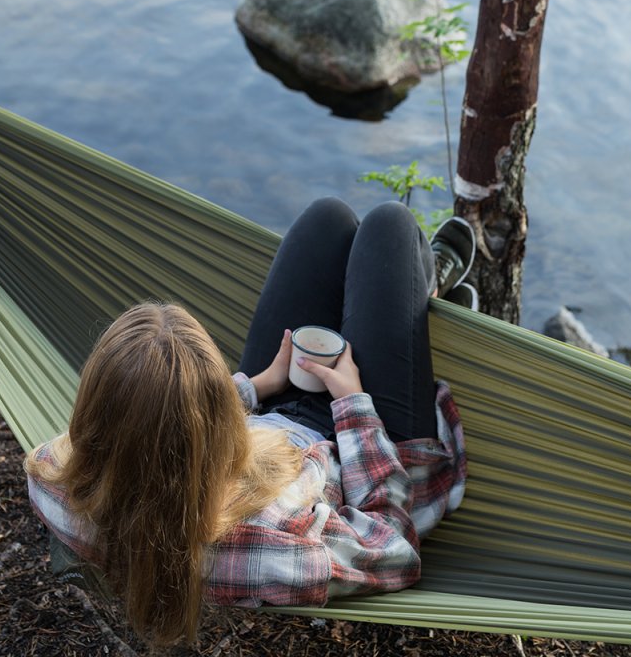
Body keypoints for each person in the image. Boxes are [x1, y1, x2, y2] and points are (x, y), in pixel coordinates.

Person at [25, 198, 468, 644]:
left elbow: (142, 425)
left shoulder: (53, 480)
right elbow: (392, 549)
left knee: (328, 221)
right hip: (363, 448)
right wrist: (353, 403)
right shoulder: (265, 546)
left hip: (268, 416)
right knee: (389, 226)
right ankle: (428, 287)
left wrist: (256, 387)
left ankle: (415, 297)